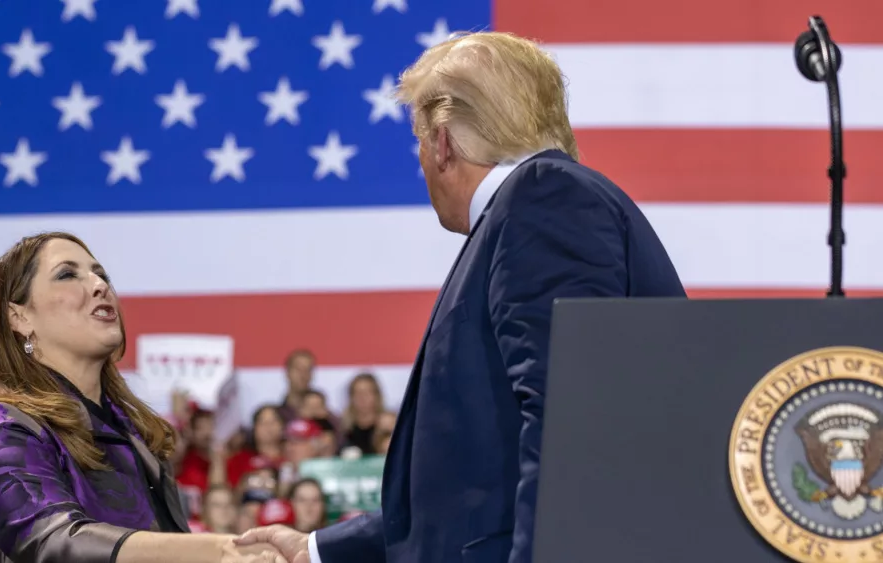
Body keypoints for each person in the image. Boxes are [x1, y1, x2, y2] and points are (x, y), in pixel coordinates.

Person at [236, 30, 686, 563]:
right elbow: (467, 499)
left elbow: (569, 425)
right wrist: (314, 550)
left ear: (443, 140)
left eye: (420, 143)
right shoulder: (530, 210)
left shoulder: (543, 197)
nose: (421, 161)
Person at [0, 232, 283, 563]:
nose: (99, 285)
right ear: (19, 316)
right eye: (68, 275)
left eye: (102, 275)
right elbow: (55, 542)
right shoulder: (1, 427)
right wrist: (219, 549)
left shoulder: (136, 435)